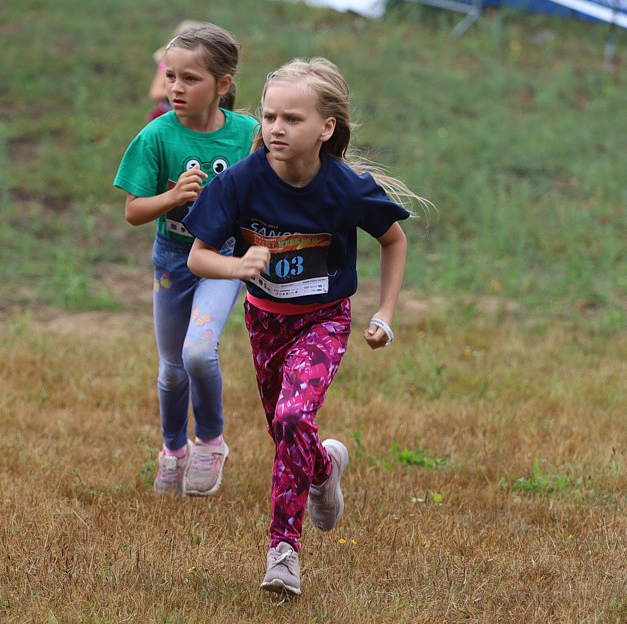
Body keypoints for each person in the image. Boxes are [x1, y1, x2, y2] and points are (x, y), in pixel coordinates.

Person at [184, 57, 431, 595]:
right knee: (285, 431)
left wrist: (384, 313)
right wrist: (237, 266)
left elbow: (393, 239)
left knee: (295, 415)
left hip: (324, 320)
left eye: (292, 119)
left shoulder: (345, 188)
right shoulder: (240, 183)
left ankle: (283, 552)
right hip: (265, 322)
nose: (276, 128)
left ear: (327, 128)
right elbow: (199, 258)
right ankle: (324, 466)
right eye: (270, 116)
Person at [113, 23, 257, 497]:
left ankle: (210, 443)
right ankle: (173, 451)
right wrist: (172, 195)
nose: (176, 87)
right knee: (171, 368)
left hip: (222, 259)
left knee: (198, 351)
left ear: (223, 84)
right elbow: (134, 211)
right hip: (172, 260)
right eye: (171, 76)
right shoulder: (156, 136)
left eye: (190, 79)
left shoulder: (249, 136)